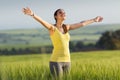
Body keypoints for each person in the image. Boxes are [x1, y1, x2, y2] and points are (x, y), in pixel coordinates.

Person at [22, 7, 103, 78]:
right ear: (55, 16)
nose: (63, 13)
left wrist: (94, 20)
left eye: (64, 12)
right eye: (60, 12)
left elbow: (82, 23)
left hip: (68, 61)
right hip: (56, 61)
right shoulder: (52, 28)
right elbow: (42, 21)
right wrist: (33, 14)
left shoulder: (66, 27)